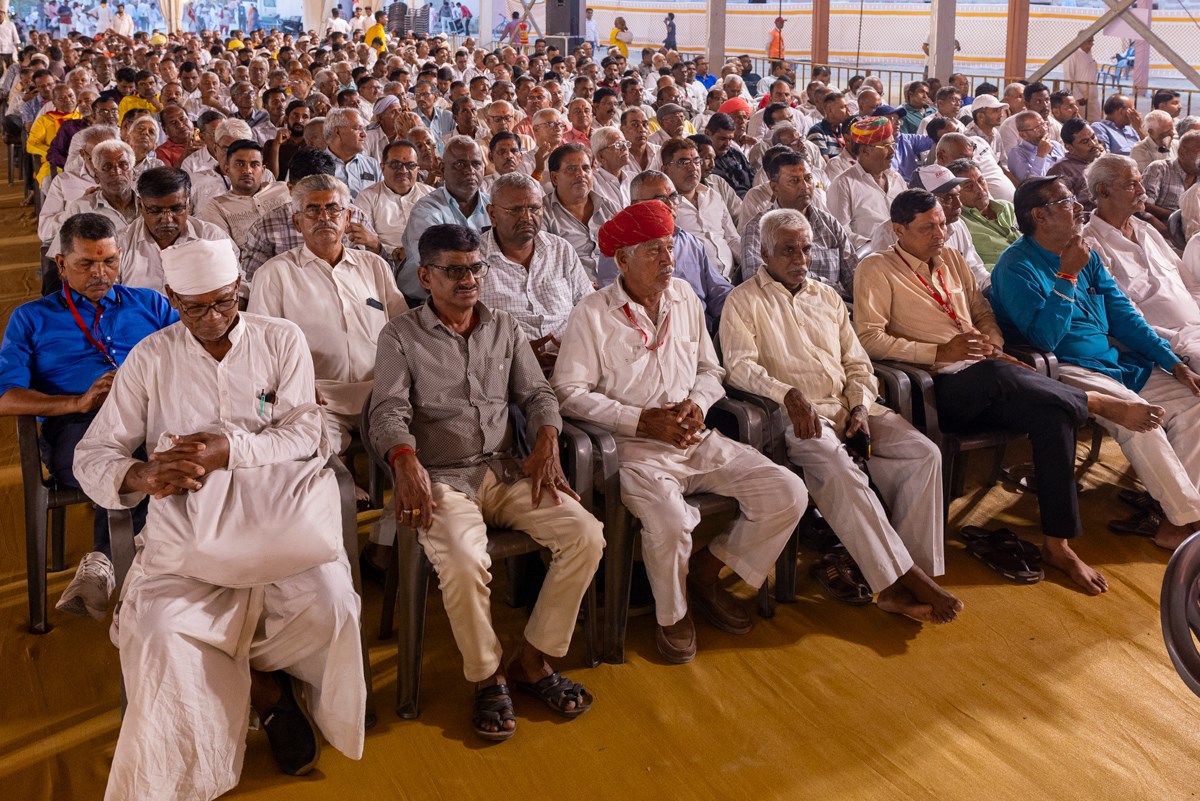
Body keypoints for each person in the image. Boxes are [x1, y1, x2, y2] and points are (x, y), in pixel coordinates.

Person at [73, 236, 366, 799]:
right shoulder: (151, 357)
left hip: (281, 527)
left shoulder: (281, 339)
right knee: (160, 632)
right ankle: (265, 697)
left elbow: (307, 429)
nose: (212, 319)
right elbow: (94, 453)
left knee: (330, 604)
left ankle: (275, 689)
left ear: (240, 290)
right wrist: (144, 476)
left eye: (224, 302)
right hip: (191, 543)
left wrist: (229, 450)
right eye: (195, 307)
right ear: (171, 298)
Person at [854, 188, 1155, 593]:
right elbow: (868, 337)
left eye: (942, 224)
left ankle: (1057, 543)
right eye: (927, 228)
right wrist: (939, 350)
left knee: (1054, 416)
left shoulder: (953, 261)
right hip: (938, 387)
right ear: (898, 230)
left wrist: (990, 341)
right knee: (996, 375)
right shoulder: (877, 268)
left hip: (987, 370)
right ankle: (1094, 403)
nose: (939, 234)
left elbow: (982, 312)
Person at [371, 223, 602, 740]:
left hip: (503, 468)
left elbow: (539, 393)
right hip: (442, 479)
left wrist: (546, 437)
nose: (469, 279)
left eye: (476, 268)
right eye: (455, 271)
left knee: (586, 534)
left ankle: (533, 659)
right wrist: (405, 462)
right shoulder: (400, 336)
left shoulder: (503, 327)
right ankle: (487, 675)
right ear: (425, 276)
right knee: (462, 558)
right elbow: (386, 412)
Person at [552, 201, 807, 664]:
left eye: (669, 248)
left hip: (695, 437)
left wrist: (698, 403)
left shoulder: (685, 297)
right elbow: (567, 392)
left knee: (787, 491)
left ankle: (706, 575)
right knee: (669, 522)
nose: (668, 260)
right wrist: (639, 420)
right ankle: (673, 615)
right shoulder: (591, 312)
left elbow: (711, 369)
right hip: (633, 449)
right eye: (654, 251)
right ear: (623, 260)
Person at [721, 208, 961, 623]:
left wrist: (861, 408)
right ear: (763, 252)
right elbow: (740, 368)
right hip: (795, 417)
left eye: (806, 249)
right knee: (839, 468)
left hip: (847, 407)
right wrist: (788, 394)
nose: (800, 258)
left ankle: (908, 572)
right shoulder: (743, 301)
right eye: (788, 250)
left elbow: (858, 363)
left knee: (924, 454)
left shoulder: (827, 297)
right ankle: (897, 582)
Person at [991, 176, 1200, 553]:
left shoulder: (1082, 252)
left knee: (1194, 402)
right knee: (1139, 418)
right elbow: (1044, 340)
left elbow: (1124, 316)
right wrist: (1067, 274)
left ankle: (1173, 518)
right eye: (1067, 200)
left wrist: (1173, 363)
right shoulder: (1015, 266)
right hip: (1067, 368)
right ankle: (1188, 520)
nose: (1078, 205)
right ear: (1040, 215)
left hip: (1115, 361)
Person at [0, 213, 176, 620]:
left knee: (165, 451)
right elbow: (6, 397)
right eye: (86, 264)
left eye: (110, 261)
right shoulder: (32, 318)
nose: (101, 273)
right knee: (129, 462)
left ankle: (103, 563)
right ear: (61, 264)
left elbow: (191, 355)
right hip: (78, 426)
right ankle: (143, 577)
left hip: (155, 418)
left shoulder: (149, 303)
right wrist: (77, 402)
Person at [249, 173, 407, 455]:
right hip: (317, 398)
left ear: (347, 219)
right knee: (314, 451)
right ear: (297, 222)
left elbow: (402, 333)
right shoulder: (274, 274)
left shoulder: (374, 266)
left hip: (380, 395)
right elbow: (261, 348)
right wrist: (296, 387)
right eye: (312, 209)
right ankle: (345, 495)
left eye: (333, 208)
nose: (324, 217)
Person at [1083, 154, 1200, 365]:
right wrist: (1178, 342)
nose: (1142, 191)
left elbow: (1190, 285)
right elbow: (1124, 317)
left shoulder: (1147, 230)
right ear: (1103, 190)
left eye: (1140, 182)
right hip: (1171, 343)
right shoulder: (1091, 245)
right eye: (1131, 184)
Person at [478, 172, 593, 372]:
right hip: (505, 373)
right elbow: (464, 334)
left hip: (572, 365)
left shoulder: (560, 249)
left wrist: (575, 352)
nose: (527, 217)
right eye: (515, 210)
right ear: (493, 214)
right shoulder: (474, 261)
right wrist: (515, 356)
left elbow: (589, 309)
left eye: (534, 208)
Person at [596, 171, 733, 334]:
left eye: (674, 196)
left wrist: (746, 306)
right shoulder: (622, 250)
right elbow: (618, 308)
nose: (669, 204)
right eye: (660, 199)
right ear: (635, 204)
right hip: (644, 336)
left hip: (703, 333)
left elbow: (718, 292)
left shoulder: (691, 242)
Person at [239, 148, 381, 283]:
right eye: (307, 192)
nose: (324, 217)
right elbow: (254, 282)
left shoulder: (356, 217)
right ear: (290, 189)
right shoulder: (265, 228)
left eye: (326, 188)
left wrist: (375, 246)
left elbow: (380, 273)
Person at [740, 151, 858, 301]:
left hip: (833, 310)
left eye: (808, 178)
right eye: (794, 181)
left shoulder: (829, 224)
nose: (805, 186)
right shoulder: (757, 229)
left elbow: (854, 278)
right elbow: (756, 280)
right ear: (775, 188)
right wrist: (826, 287)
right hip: (782, 311)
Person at [400, 135, 492, 298]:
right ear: (442, 169)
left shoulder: (494, 207)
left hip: (482, 291)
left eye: (476, 164)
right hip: (428, 298)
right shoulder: (426, 211)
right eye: (460, 164)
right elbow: (439, 267)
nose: (470, 170)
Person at [119, 167, 232, 293]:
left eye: (176, 209)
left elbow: (236, 291)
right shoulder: (120, 244)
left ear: (188, 203)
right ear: (140, 206)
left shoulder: (213, 238)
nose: (167, 219)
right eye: (156, 211)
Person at [662, 137, 740, 280]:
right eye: (684, 162)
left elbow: (732, 238)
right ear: (665, 168)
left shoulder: (713, 196)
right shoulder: (663, 206)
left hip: (732, 278)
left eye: (697, 161)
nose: (693, 167)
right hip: (694, 284)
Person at [541, 142, 620, 283]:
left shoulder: (609, 208)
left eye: (586, 168)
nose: (580, 174)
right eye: (571, 169)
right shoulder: (542, 214)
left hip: (615, 289)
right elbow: (544, 266)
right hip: (570, 293)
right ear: (554, 178)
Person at [827, 116, 906, 257]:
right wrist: (876, 245)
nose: (892, 152)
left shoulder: (896, 179)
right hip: (870, 259)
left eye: (893, 145)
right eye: (886, 147)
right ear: (864, 151)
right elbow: (840, 232)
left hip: (904, 254)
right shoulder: (843, 184)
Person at [48, 139, 140, 259]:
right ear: (96, 175)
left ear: (133, 173)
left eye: (123, 165)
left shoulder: (149, 204)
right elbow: (61, 255)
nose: (117, 171)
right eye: (107, 167)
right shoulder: (81, 208)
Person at [353, 140, 436, 267]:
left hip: (430, 263)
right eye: (396, 164)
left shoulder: (431, 195)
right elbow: (362, 241)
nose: (403, 170)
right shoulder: (367, 197)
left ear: (417, 169)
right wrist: (394, 253)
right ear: (382, 167)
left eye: (410, 165)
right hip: (384, 264)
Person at [197, 138, 291, 245]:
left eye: (254, 164)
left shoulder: (284, 190)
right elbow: (225, 250)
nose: (247, 171)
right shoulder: (216, 207)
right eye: (240, 164)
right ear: (227, 169)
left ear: (263, 170)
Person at [945, 158, 1020, 273]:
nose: (980, 189)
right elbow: (974, 268)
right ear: (956, 192)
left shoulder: (1007, 207)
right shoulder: (958, 224)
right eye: (969, 186)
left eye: (981, 181)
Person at [323, 107, 382, 199]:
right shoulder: (317, 165)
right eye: (357, 128)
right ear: (337, 132)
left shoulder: (372, 165)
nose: (364, 134)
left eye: (364, 129)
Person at [1143, 130, 1200, 226]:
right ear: (1182, 153)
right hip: (1163, 233)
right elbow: (1145, 205)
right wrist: (1183, 217)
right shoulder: (1159, 169)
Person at [1047, 118, 1103, 212]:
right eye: (1085, 142)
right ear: (1069, 147)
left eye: (1093, 137)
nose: (1093, 144)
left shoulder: (1101, 162)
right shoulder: (1061, 170)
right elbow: (1064, 209)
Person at [1007, 110, 1065, 182]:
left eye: (1044, 124)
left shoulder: (1056, 145)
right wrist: (1041, 155)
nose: (1044, 130)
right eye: (1037, 128)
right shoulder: (1017, 154)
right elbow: (1030, 185)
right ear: (1023, 135)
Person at [1063, 36, 1099, 120]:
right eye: (1089, 41)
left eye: (1092, 41)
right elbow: (1068, 77)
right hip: (1079, 99)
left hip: (1092, 97)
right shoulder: (1072, 55)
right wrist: (1078, 97)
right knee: (1078, 121)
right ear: (1080, 41)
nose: (1092, 44)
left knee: (1094, 120)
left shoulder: (1090, 55)